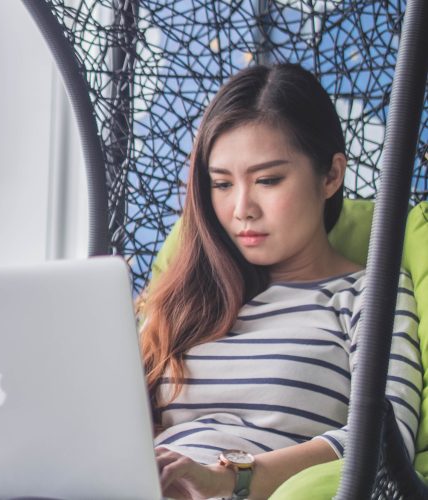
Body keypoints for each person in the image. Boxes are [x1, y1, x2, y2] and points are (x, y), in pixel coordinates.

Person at [138, 63, 421, 499]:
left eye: (268, 180)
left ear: (330, 175)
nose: (242, 208)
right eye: (222, 184)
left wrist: (230, 478)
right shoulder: (188, 297)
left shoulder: (368, 295)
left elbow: (385, 443)